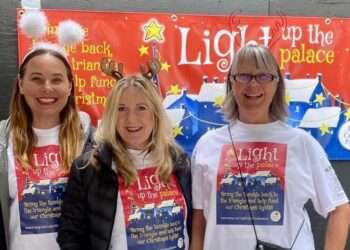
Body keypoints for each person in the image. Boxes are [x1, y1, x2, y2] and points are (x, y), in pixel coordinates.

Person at [190, 43, 350, 250]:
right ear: (231, 82)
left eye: (264, 76)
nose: (253, 85)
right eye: (244, 76)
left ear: (277, 84)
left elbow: (340, 209)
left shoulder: (302, 144)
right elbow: (199, 220)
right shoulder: (207, 145)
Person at [57, 74, 192, 250]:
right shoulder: (89, 168)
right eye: (121, 109)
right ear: (111, 115)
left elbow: (195, 225)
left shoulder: (179, 162)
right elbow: (70, 236)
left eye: (141, 108)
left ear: (155, 114)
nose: (131, 119)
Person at [0, 45, 95, 250]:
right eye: (36, 78)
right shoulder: (3, 141)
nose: (47, 87)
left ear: (70, 86)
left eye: (57, 79)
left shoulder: (93, 142)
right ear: (21, 84)